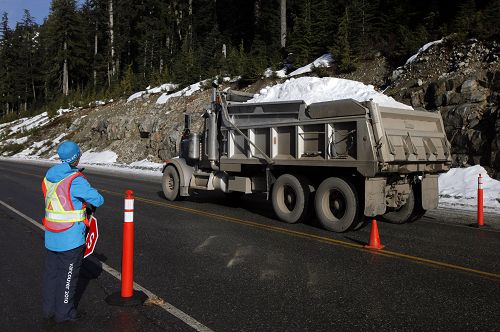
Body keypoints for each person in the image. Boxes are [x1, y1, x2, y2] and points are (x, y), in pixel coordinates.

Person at [42, 141, 104, 323]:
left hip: (51, 235)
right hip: (70, 238)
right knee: (68, 277)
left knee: (51, 275)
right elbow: (98, 200)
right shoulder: (74, 180)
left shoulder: (49, 176)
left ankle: (48, 311)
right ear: (76, 157)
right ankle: (64, 314)